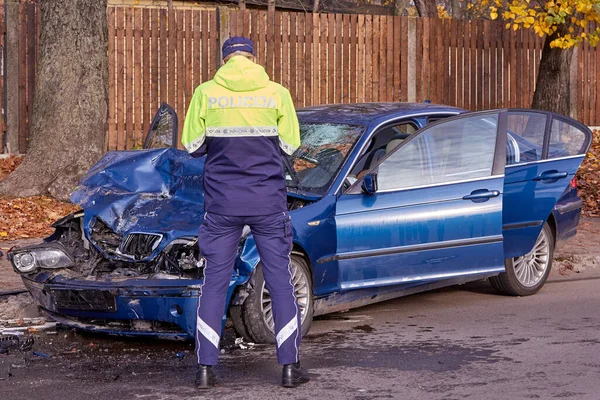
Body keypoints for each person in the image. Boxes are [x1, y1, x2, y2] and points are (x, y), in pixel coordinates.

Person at [181, 36, 309, 389]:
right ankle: (289, 367)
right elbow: (290, 145)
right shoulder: (277, 93)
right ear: (254, 58)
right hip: (268, 202)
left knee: (214, 285)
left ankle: (205, 369)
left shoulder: (206, 93)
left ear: (224, 61)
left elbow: (192, 145)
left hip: (222, 205)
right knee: (280, 282)